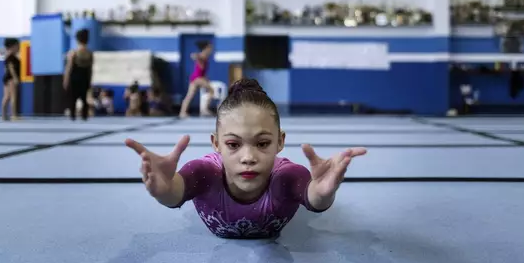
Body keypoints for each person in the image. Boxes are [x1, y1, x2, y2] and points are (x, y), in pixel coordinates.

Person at [125, 79, 367, 239]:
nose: (248, 157)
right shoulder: (204, 173)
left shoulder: (287, 177)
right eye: (233, 144)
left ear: (280, 142)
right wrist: (163, 191)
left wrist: (324, 193)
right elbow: (175, 192)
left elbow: (314, 197)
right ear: (216, 143)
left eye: (262, 144)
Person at [63, 29, 94, 121]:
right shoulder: (90, 53)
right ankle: (84, 116)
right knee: (84, 98)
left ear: (77, 39)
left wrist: (66, 79)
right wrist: (90, 80)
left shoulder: (74, 53)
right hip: (85, 77)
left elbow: (69, 68)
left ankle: (73, 115)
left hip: (75, 78)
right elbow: (90, 68)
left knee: (73, 98)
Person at [179, 41, 214, 118]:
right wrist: (197, 57)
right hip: (198, 78)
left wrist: (206, 78)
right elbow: (194, 56)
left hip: (195, 78)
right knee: (211, 91)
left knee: (189, 96)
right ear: (206, 48)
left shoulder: (205, 56)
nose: (211, 50)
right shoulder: (203, 55)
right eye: (210, 48)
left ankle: (182, 112)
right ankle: (204, 110)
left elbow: (202, 70)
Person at [1, 38, 21, 121]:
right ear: (12, 47)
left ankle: (4, 115)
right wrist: (15, 78)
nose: (18, 48)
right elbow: (11, 68)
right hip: (11, 78)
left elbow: (6, 69)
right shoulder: (11, 57)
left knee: (6, 97)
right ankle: (14, 115)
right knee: (13, 97)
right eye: (17, 46)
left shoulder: (7, 56)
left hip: (6, 78)